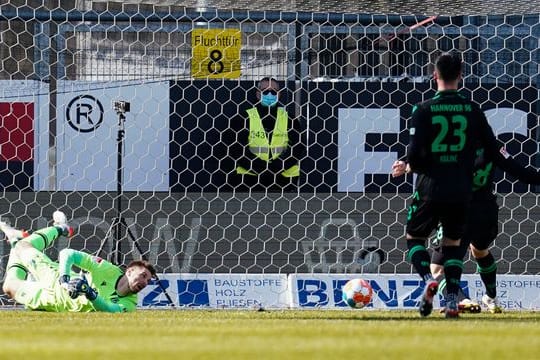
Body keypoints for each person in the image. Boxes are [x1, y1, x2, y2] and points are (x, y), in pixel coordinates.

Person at [404, 51, 503, 318]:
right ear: (461, 76)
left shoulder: (424, 109)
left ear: (434, 76)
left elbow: (416, 153)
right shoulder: (472, 113)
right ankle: (459, 300)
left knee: (415, 239)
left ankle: (428, 282)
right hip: (472, 200)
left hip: (432, 189)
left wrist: (412, 166)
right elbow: (499, 155)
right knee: (464, 247)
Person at [392, 140, 540, 314]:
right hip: (487, 213)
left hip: (460, 211)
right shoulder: (493, 145)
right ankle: (491, 296)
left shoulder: (450, 146)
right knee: (479, 250)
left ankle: (462, 300)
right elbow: (521, 173)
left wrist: (407, 165)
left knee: (436, 269)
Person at [1, 210, 156, 312]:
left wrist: (90, 293)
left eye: (148, 280)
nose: (145, 282)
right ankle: (61, 228)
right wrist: (64, 278)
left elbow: (110, 310)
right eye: (143, 275)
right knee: (23, 246)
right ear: (129, 271)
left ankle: (14, 240)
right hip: (55, 279)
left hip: (54, 302)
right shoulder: (107, 269)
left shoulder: (130, 304)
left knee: (9, 286)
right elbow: (68, 253)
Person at [231, 77, 305, 191]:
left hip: (284, 178)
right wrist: (260, 168)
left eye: (274, 91)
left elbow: (298, 148)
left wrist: (277, 167)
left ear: (279, 94)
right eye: (265, 91)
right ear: (258, 94)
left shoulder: (290, 118)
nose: (269, 94)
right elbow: (236, 148)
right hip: (250, 178)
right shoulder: (243, 117)